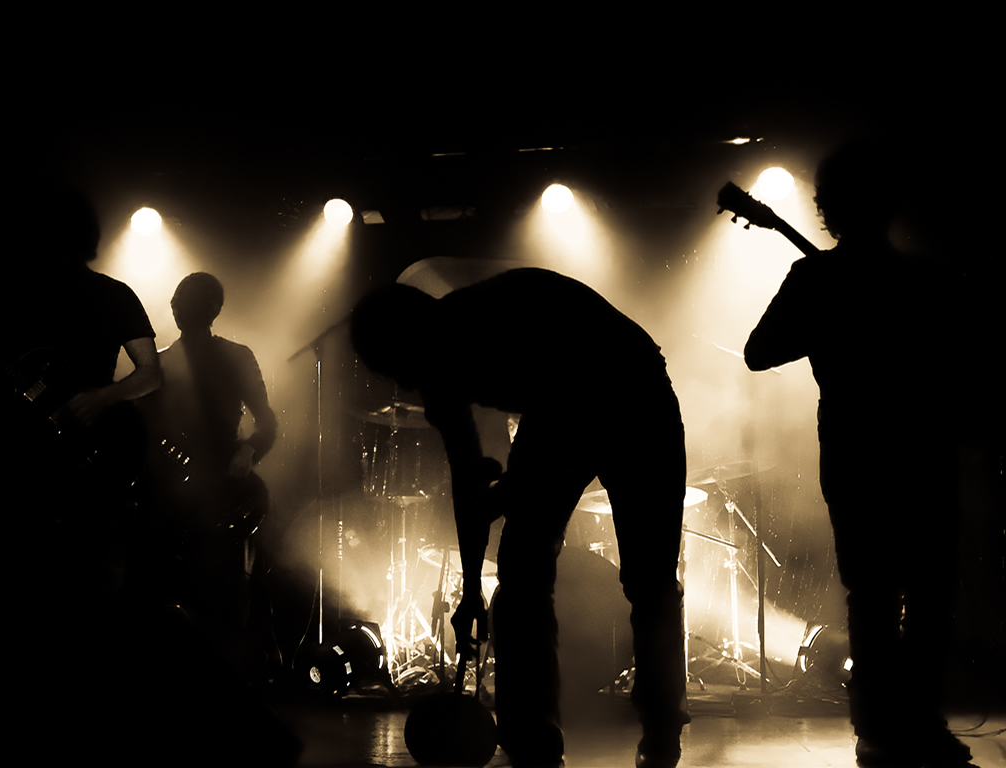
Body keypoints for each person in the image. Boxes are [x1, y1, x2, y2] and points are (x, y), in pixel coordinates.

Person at [351, 267, 688, 768]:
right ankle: (535, 738)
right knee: (528, 574)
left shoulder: (498, 318)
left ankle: (654, 734)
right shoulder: (439, 365)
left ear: (414, 337)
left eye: (397, 367)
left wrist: (509, 492)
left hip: (633, 394)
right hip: (563, 405)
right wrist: (470, 589)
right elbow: (469, 486)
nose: (404, 384)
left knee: (648, 578)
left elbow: (576, 407)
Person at [743, 138, 969, 767]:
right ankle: (920, 725)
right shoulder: (928, 280)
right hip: (923, 452)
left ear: (827, 210)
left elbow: (760, 351)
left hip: (856, 453)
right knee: (926, 596)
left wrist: (826, 317)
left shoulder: (817, 279)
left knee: (873, 597)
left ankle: (877, 729)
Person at [0, 184, 162, 764]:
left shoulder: (112, 294)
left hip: (89, 462)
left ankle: (88, 717)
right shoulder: (8, 297)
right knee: (26, 588)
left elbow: (151, 374)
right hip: (23, 463)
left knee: (92, 581)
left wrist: (102, 398)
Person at [139, 272, 278, 671]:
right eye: (178, 302)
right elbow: (144, 428)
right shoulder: (159, 363)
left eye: (189, 302)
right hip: (171, 492)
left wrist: (248, 451)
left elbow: (267, 422)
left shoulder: (236, 356)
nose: (179, 309)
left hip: (221, 492)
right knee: (167, 588)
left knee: (223, 592)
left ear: (214, 309)